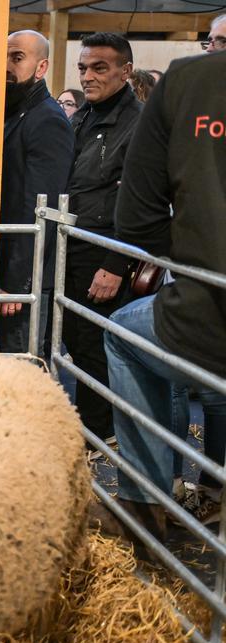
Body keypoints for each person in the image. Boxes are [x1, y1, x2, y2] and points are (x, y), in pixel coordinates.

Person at [92, 50, 226, 546]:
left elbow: (138, 217)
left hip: (210, 305)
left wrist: (195, 258)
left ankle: (145, 504)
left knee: (125, 335)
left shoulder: (191, 79)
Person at [64, 32, 142, 447]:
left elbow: (142, 201)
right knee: (77, 342)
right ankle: (93, 430)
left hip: (103, 250)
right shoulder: (81, 117)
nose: (88, 76)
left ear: (125, 71)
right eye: (83, 68)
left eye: (99, 68)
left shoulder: (139, 124)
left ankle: (101, 437)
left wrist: (116, 263)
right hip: (72, 243)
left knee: (96, 345)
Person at [0, 30, 74, 356]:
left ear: (41, 68)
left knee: (18, 369)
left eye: (17, 58)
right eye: (4, 56)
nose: (6, 65)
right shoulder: (11, 111)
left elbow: (41, 207)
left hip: (22, 277)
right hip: (0, 265)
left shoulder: (46, 119)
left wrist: (17, 282)